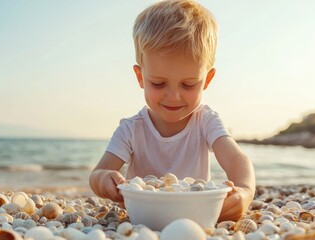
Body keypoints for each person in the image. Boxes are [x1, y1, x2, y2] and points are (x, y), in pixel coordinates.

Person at [89, 0, 255, 222]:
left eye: (188, 85)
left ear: (207, 79)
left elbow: (236, 158)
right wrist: (105, 181)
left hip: (193, 213)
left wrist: (244, 191)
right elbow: (97, 174)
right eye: (158, 83)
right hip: (144, 214)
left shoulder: (205, 120)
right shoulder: (131, 129)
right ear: (141, 77)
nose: (174, 96)